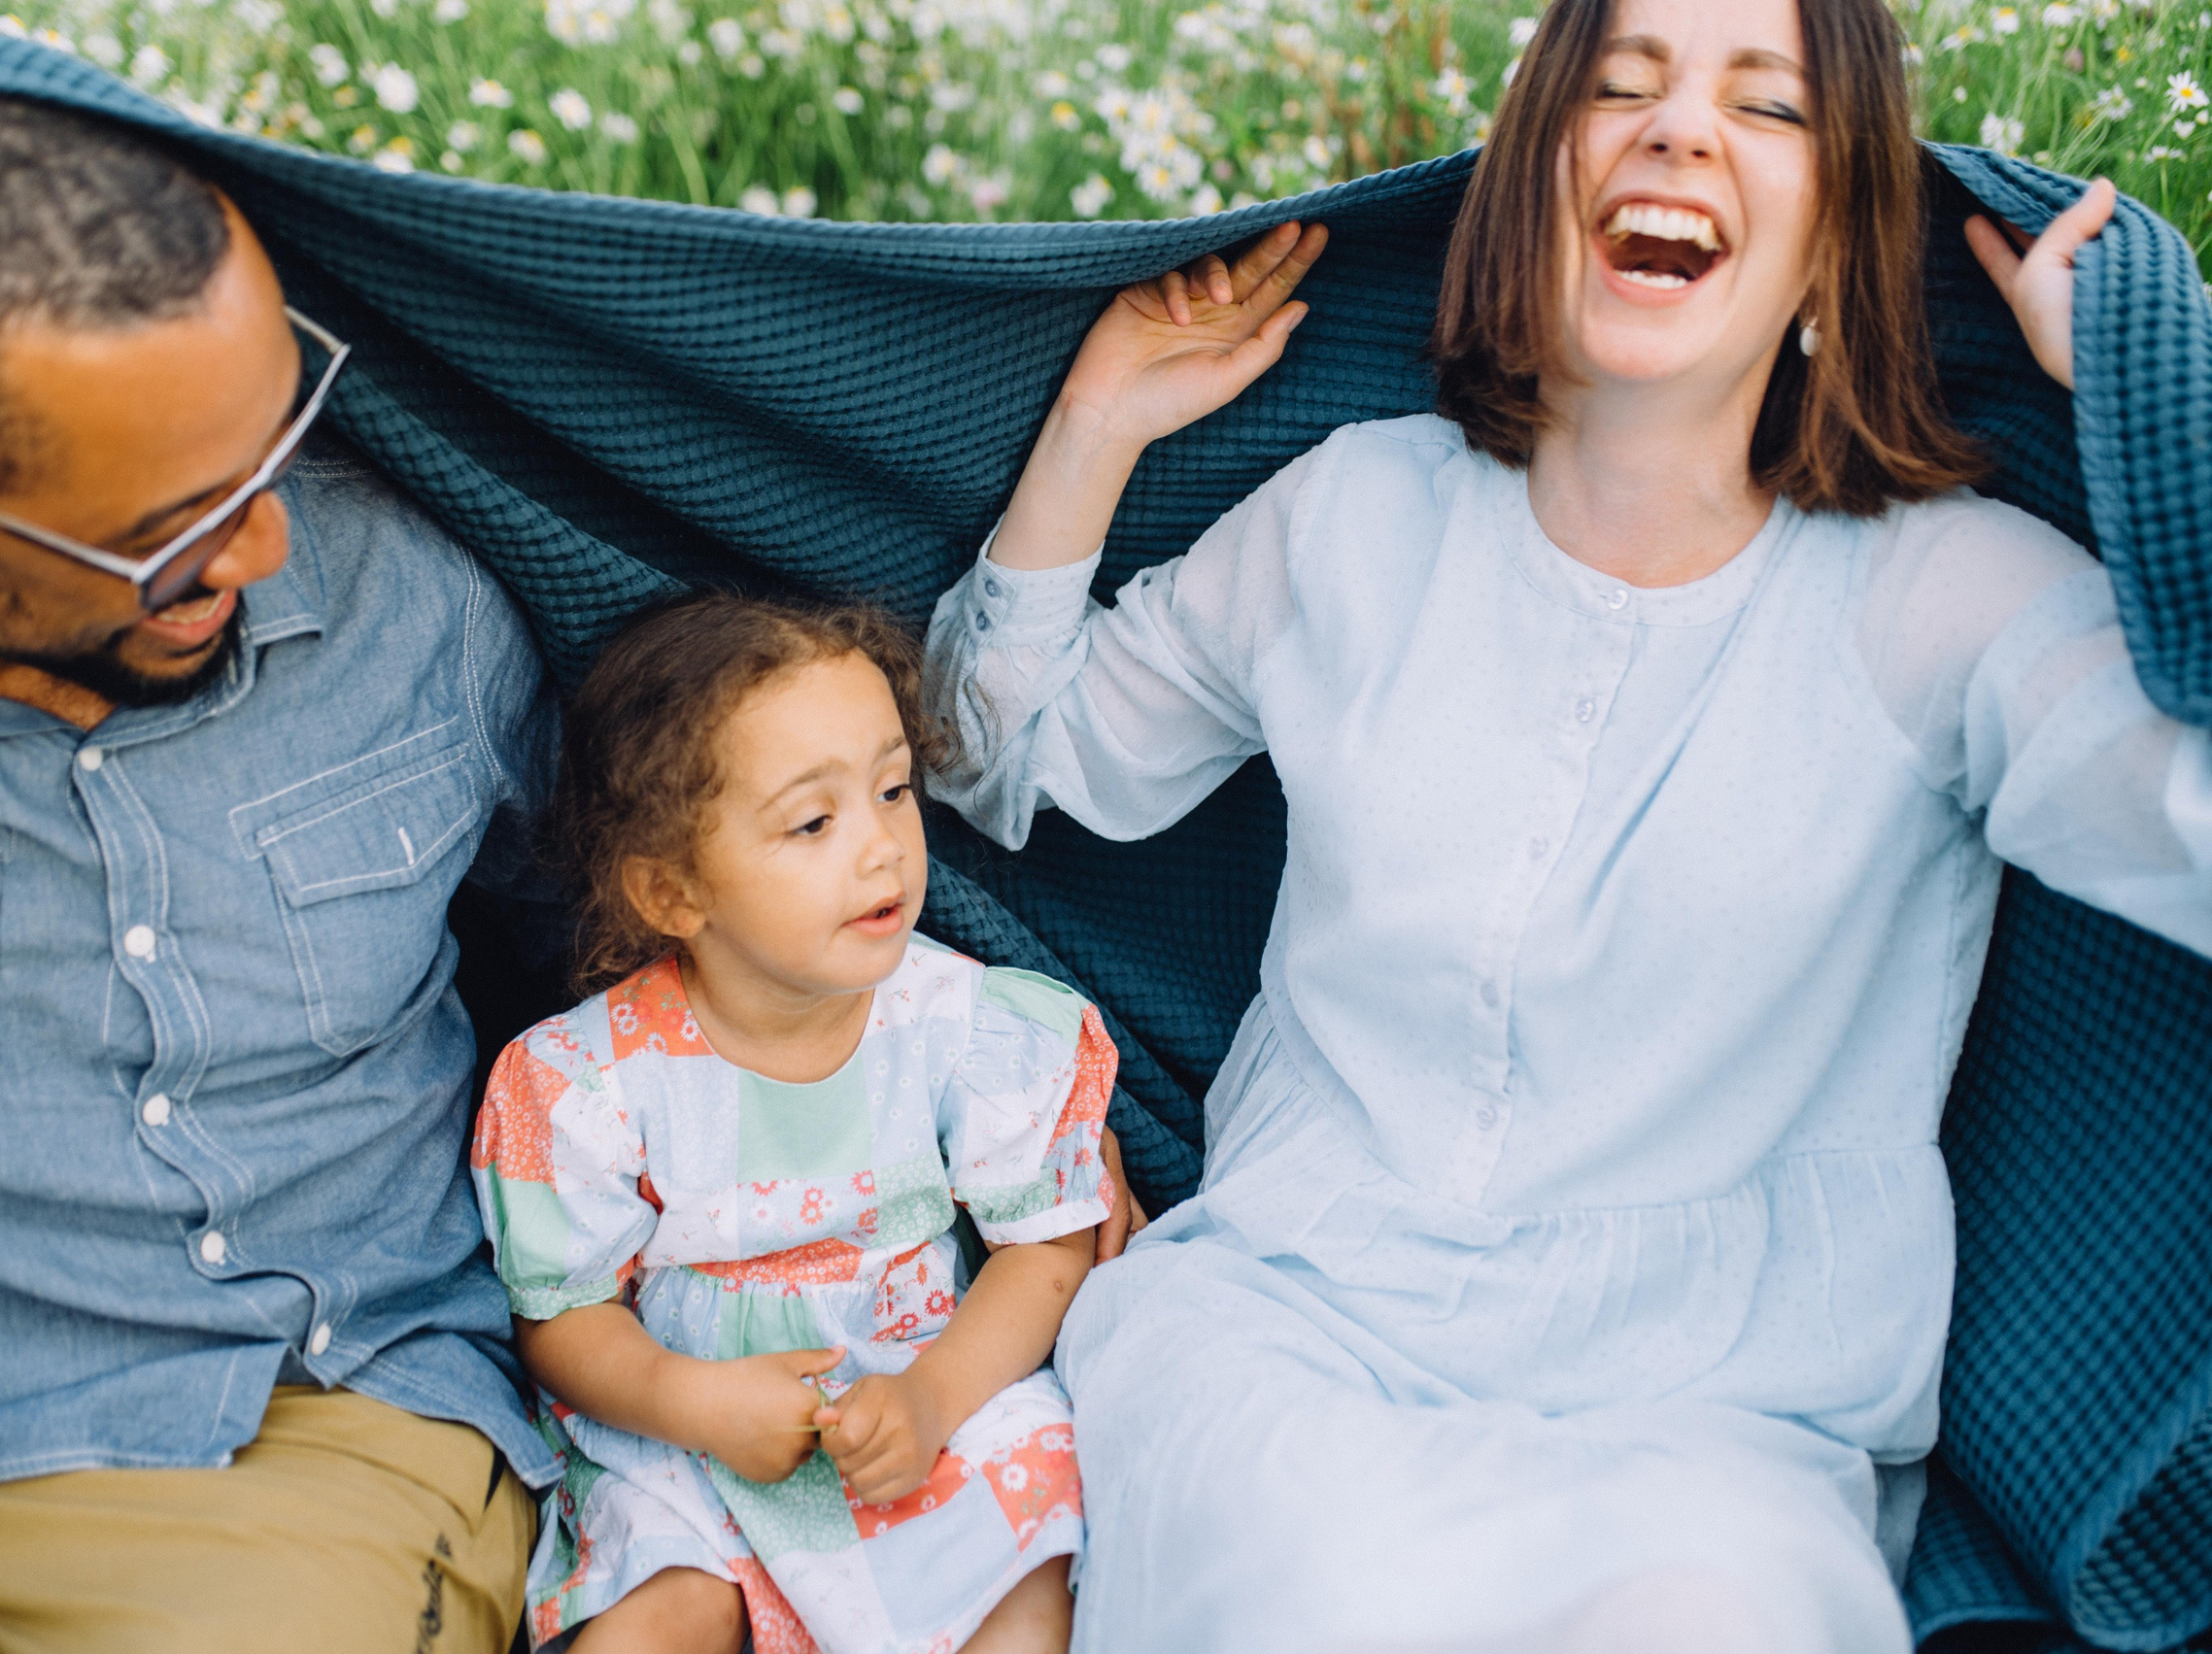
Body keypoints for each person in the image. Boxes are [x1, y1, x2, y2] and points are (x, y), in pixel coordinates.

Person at [923, 0, 2205, 1648]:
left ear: (1834, 256)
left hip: (1719, 1412)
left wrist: (2160, 428)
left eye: (1768, 107)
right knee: (1317, 1599)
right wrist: (1094, 427)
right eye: (1620, 88)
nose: (1677, 130)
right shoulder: (1356, 512)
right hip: (1292, 1329)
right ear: (1535, 190)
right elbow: (995, 763)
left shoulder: (1936, 596)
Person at [0, 93, 562, 1652]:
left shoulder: (413, 613)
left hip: (278, 1436)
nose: (262, 550)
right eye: (168, 531)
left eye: (276, 447)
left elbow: (635, 938)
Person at [472, 593, 1109, 1654]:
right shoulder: (586, 1084)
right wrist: (691, 1401)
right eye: (813, 822)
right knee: (662, 1610)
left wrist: (933, 1397)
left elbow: (1044, 1248)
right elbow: (562, 1316)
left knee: (1031, 1560)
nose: (882, 850)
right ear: (672, 891)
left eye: (894, 789)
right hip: (689, 1431)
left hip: (925, 1385)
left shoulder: (964, 1027)